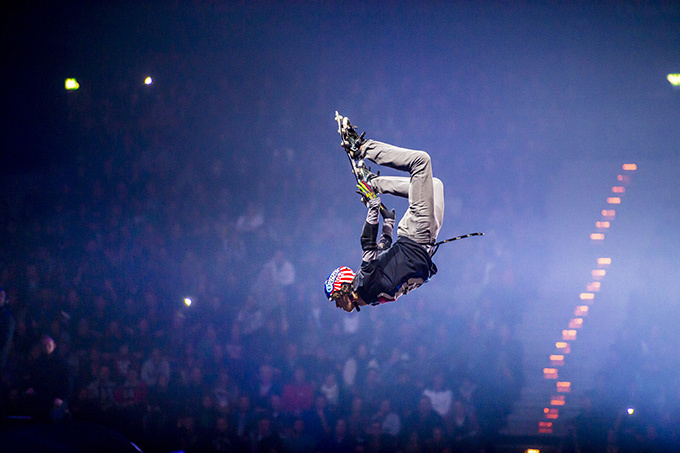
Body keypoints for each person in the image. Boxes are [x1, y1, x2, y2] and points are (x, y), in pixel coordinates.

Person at [325, 114, 444, 312]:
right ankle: (374, 183)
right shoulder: (367, 293)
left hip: (416, 235)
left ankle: (362, 148)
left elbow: (369, 245)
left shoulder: (363, 284)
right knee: (434, 185)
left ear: (345, 287)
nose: (338, 305)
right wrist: (387, 223)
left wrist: (373, 206)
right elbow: (382, 250)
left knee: (421, 162)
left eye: (337, 298)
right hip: (421, 239)